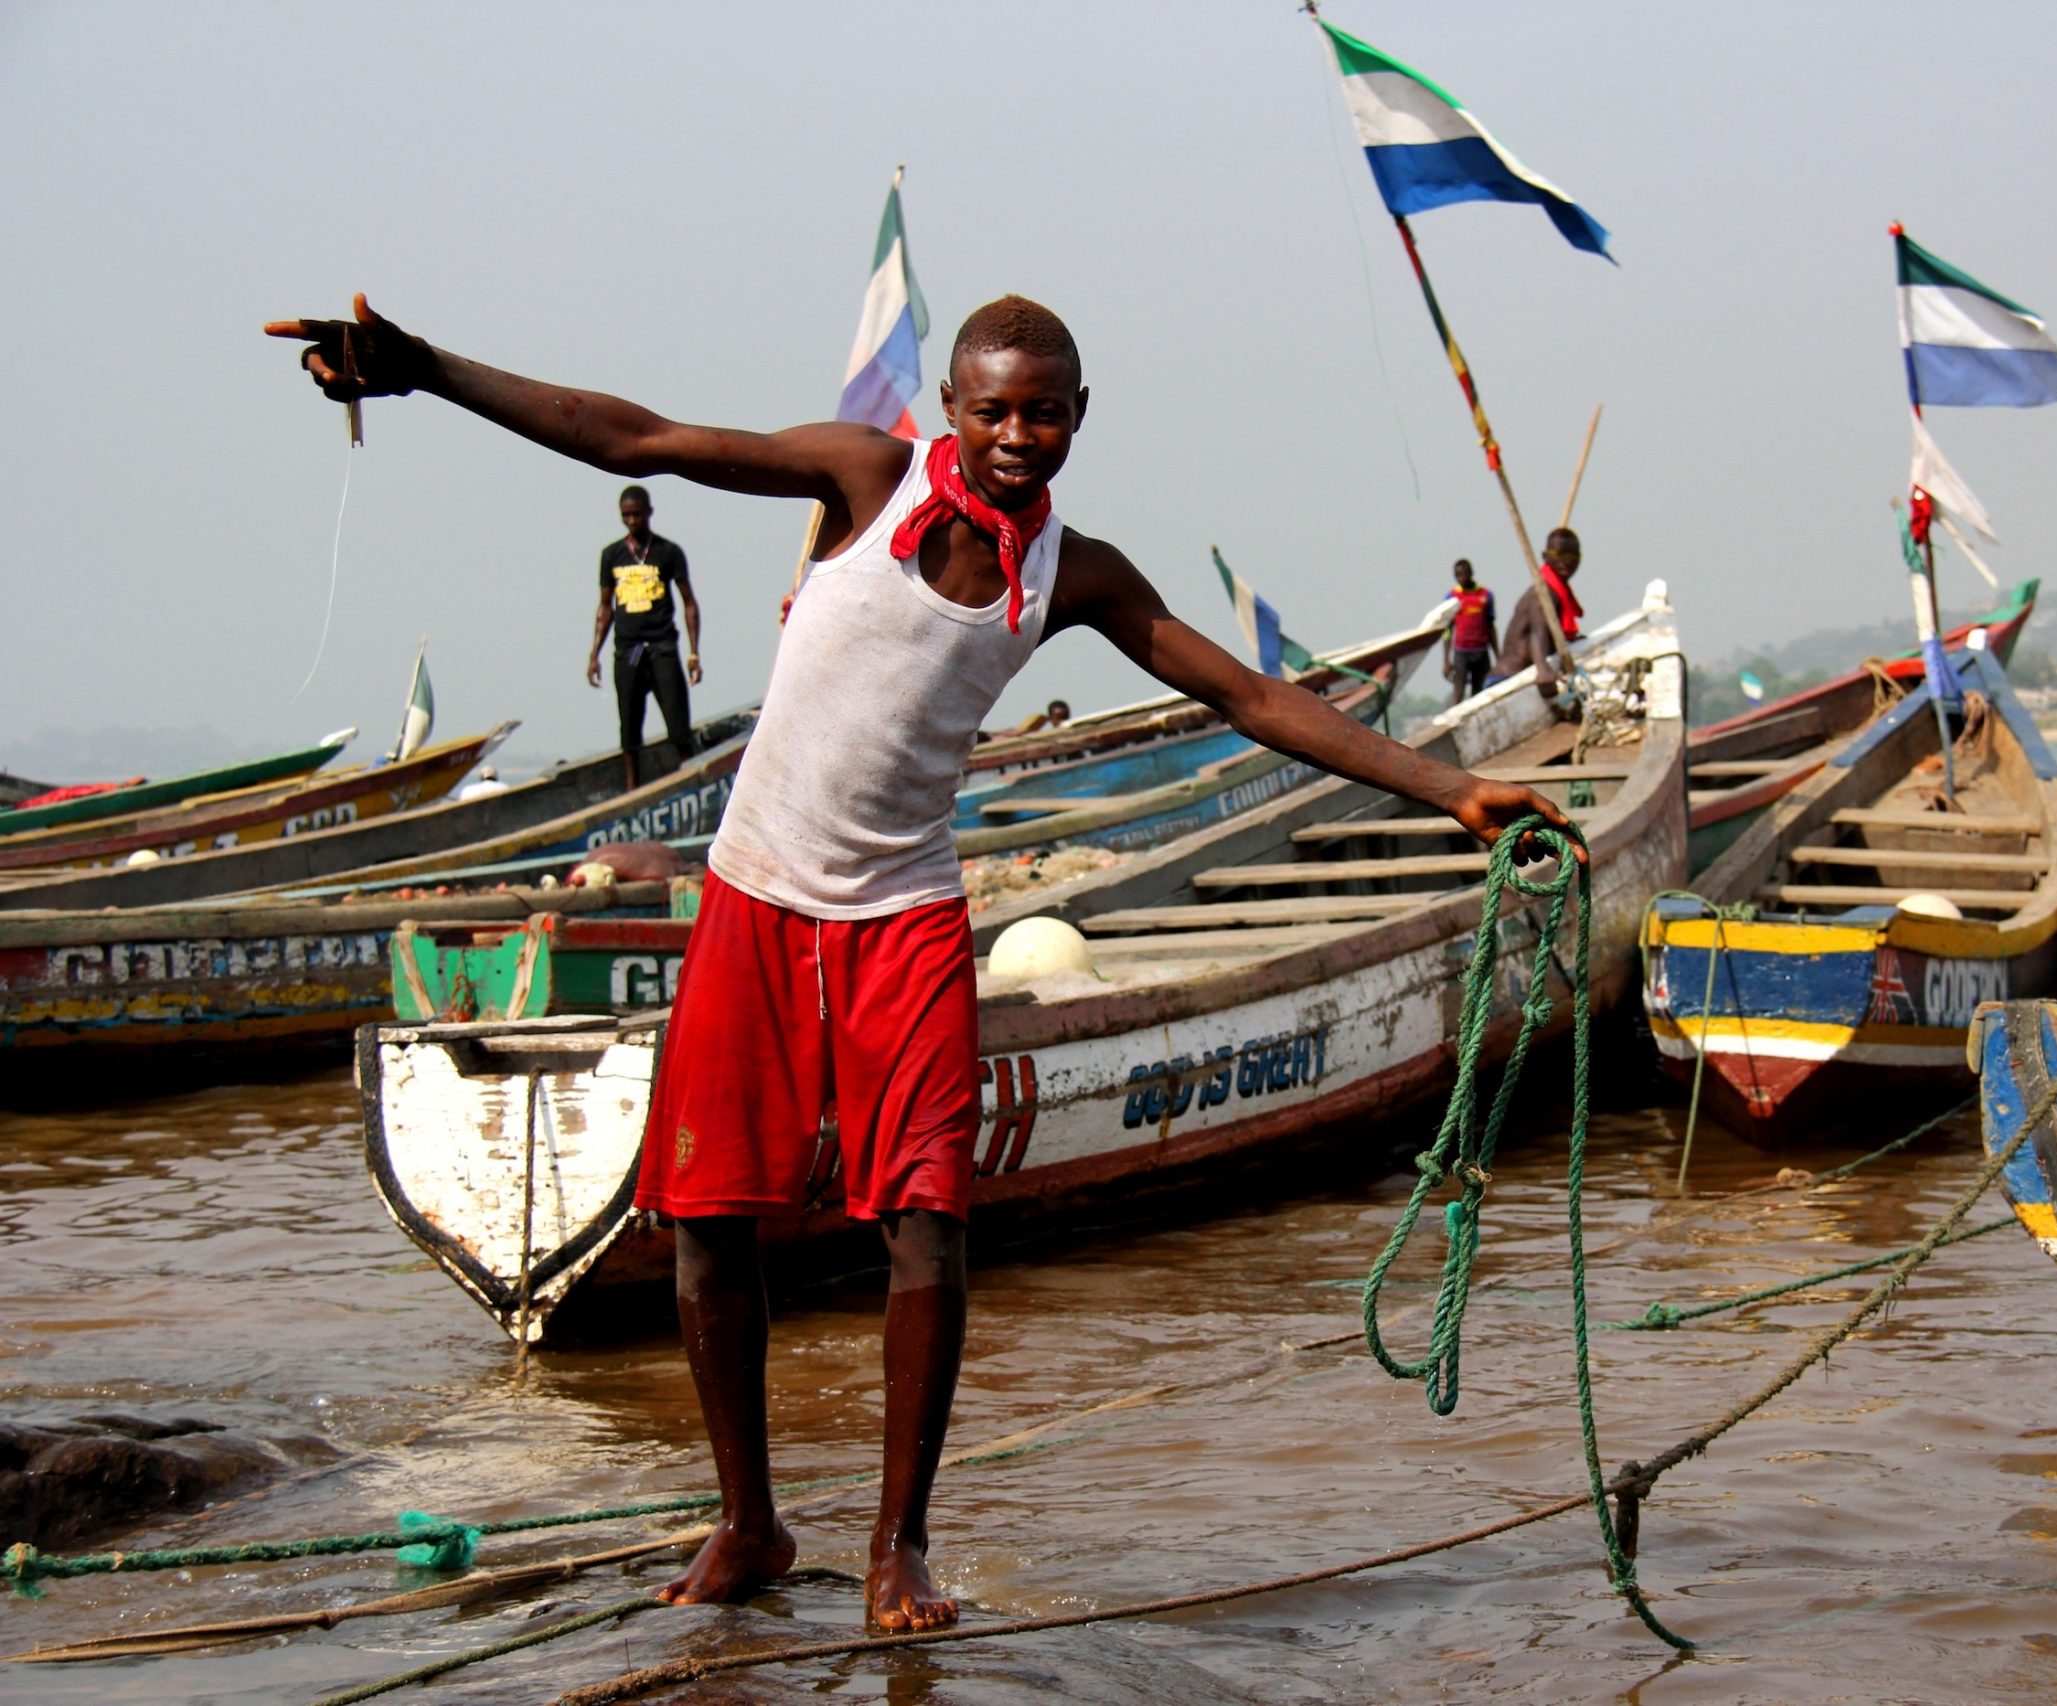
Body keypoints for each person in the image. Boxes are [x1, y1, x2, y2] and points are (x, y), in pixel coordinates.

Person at [267, 292, 1573, 1630]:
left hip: (902, 915)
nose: (1019, 434)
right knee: (709, 1219)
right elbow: (635, 437)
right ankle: (750, 1521)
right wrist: (421, 367)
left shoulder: (1076, 569)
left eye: (1045, 409)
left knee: (928, 1216)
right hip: (758, 893)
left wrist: (1448, 790)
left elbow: (1248, 696)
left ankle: (899, 1543)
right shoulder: (864, 479)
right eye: (995, 408)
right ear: (949, 408)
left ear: (1079, 415)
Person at [588, 485, 703, 789]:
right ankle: (632, 790)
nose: (632, 521)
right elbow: (605, 608)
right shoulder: (611, 555)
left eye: (637, 514)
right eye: (626, 516)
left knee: (678, 726)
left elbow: (689, 602)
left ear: (649, 513)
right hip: (627, 652)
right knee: (629, 729)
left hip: (662, 647)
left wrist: (694, 653)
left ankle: (690, 780)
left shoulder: (669, 552)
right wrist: (594, 655)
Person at [1494, 527, 1585, 697]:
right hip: (1508, 679)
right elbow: (1538, 631)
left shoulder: (1558, 590)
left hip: (1519, 677)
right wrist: (1542, 669)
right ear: (1545, 557)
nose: (1567, 562)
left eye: (1573, 556)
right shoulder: (1543, 592)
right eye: (1560, 555)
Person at [1442, 559, 1496, 700]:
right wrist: (1446, 660)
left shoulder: (1485, 595)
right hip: (1461, 651)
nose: (1461, 578)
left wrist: (1498, 654)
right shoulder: (1452, 597)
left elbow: (1490, 626)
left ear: (1471, 573)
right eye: (1458, 576)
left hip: (1481, 651)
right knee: (1458, 690)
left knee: (1480, 693)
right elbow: (1447, 629)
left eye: (1464, 574)